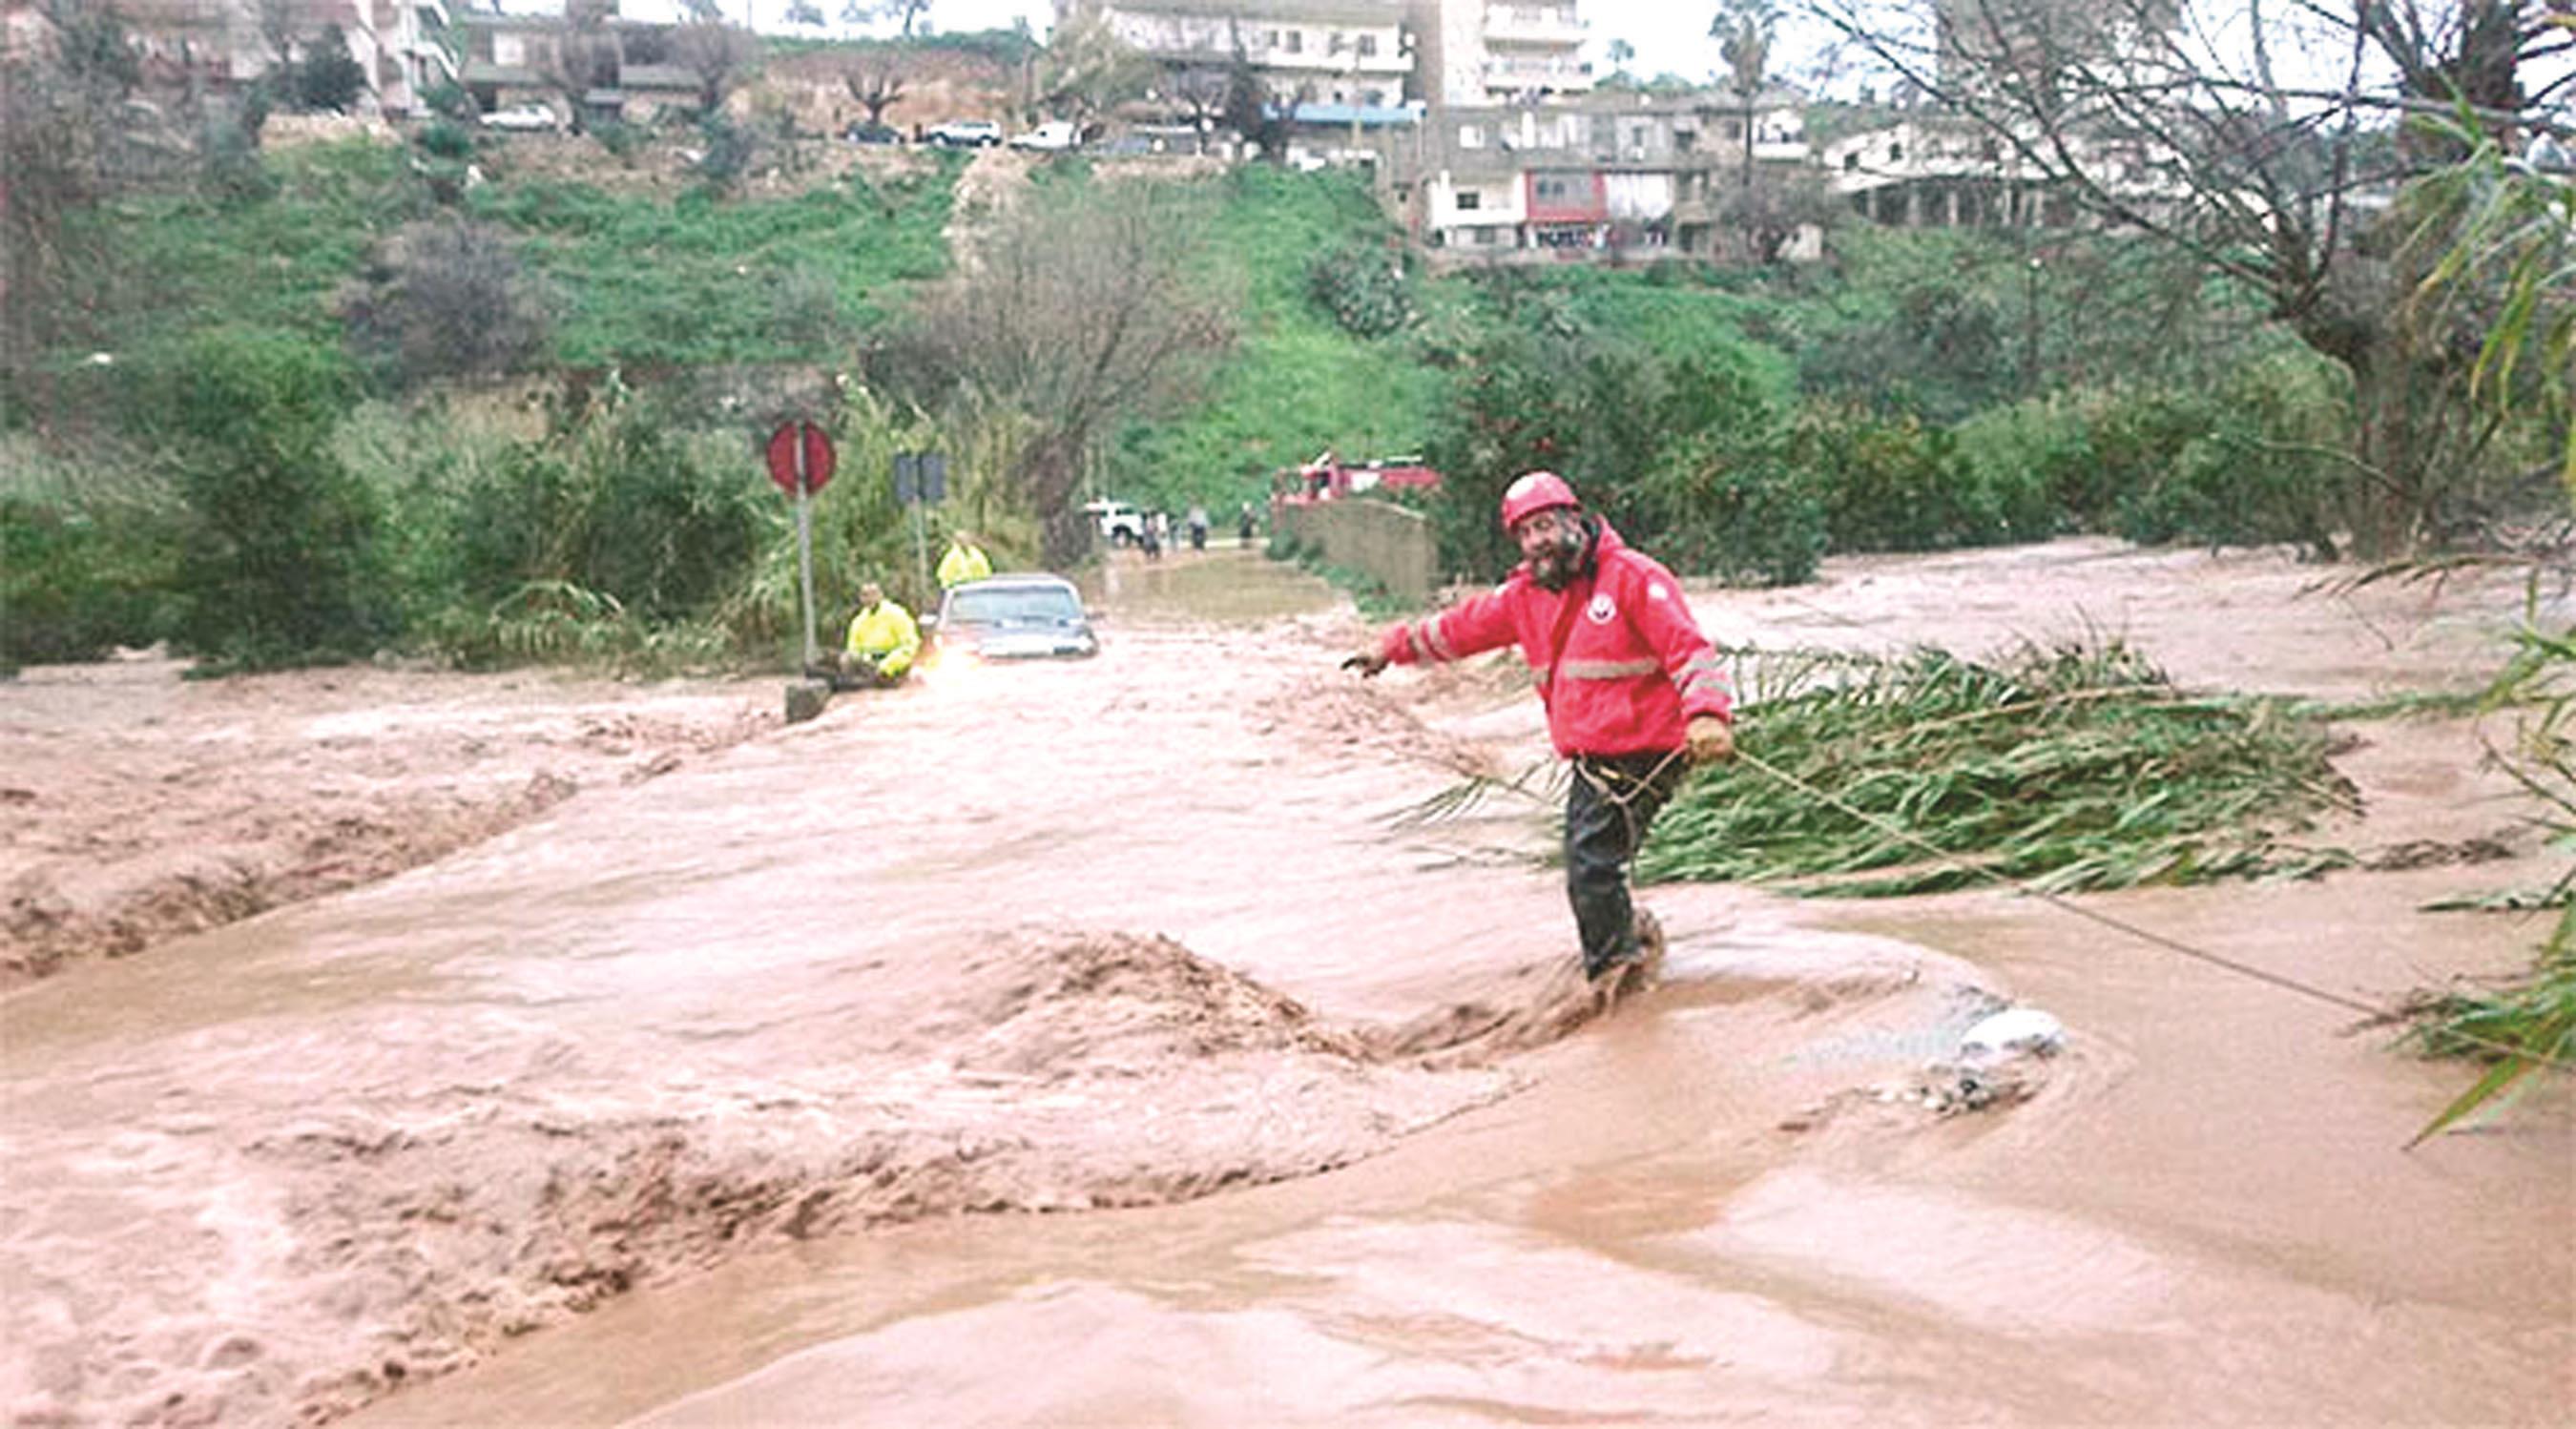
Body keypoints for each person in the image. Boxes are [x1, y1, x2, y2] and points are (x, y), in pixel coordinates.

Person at [1346, 471, 1735, 997]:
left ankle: (1616, 985)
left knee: (1591, 866)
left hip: (1646, 751)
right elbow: (1458, 629)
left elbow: (1689, 652)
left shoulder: (1634, 578)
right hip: (1595, 760)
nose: (1537, 542)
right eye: (1526, 533)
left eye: (1546, 526)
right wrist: (1390, 648)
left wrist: (1707, 715)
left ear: (1576, 519)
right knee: (1594, 864)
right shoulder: (1525, 596)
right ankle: (1629, 945)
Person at [841, 581, 920, 688]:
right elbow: (853, 649)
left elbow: (909, 646)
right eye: (865, 595)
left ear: (880, 595)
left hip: (894, 672)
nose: (869, 599)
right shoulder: (858, 621)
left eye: (873, 594)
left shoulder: (897, 615)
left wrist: (887, 667)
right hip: (868, 670)